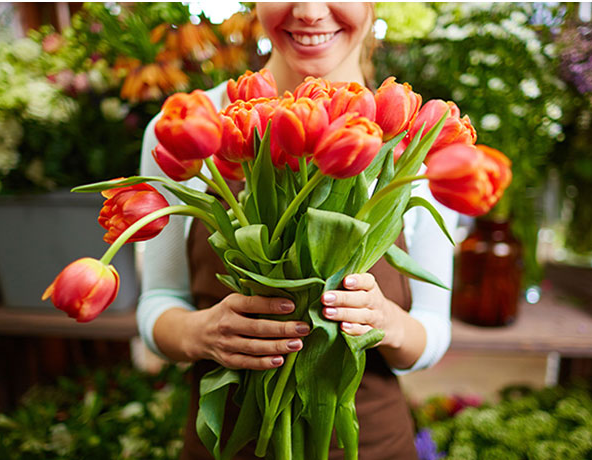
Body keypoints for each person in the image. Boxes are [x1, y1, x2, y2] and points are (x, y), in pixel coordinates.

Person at [137, 3, 458, 459]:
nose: (309, 11)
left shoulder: (414, 137)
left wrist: (386, 322)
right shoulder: (188, 124)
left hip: (370, 445)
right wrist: (201, 332)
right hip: (229, 446)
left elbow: (432, 330)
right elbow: (158, 302)